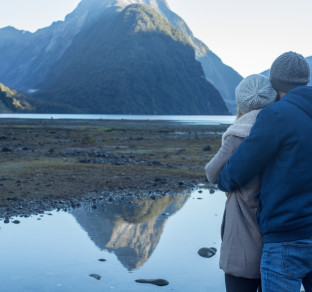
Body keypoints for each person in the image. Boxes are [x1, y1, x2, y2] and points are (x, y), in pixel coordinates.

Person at [217, 51, 312, 292]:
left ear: (274, 82)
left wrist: (223, 179)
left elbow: (236, 171)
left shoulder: (276, 115)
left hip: (285, 238)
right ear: (307, 79)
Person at [205, 74, 277, 292]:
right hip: (277, 240)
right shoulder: (281, 130)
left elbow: (211, 172)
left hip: (242, 243)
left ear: (241, 103)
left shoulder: (238, 135)